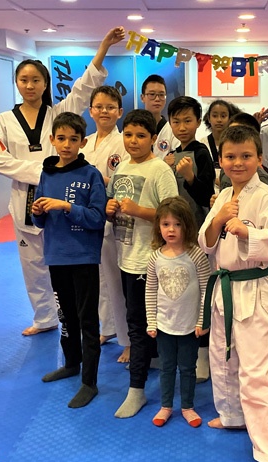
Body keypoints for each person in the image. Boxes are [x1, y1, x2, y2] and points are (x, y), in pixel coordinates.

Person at [0, 27, 125, 337]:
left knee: (67, 261)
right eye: (24, 80)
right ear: (16, 83)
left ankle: (77, 317)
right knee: (32, 264)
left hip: (63, 198)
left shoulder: (58, 113)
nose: (30, 85)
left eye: (36, 80)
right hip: (26, 197)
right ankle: (44, 317)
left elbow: (84, 87)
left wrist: (103, 47)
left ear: (45, 83)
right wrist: (43, 171)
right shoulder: (4, 120)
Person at [198, 125, 268, 462]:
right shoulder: (223, 195)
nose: (238, 163)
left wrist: (247, 232)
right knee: (225, 359)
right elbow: (206, 242)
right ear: (220, 160)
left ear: (259, 159)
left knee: (256, 371)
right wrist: (220, 219)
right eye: (231, 157)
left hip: (256, 286)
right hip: (225, 286)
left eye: (246, 156)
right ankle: (233, 415)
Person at [31, 112, 106, 408]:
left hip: (83, 256)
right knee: (66, 316)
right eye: (61, 138)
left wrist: (66, 206)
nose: (66, 144)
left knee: (87, 319)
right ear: (52, 140)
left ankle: (90, 382)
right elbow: (38, 222)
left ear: (82, 142)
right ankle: (71, 363)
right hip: (56, 255)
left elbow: (97, 218)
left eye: (73, 139)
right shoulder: (47, 173)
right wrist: (38, 212)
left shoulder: (91, 175)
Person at [108, 110, 178, 418]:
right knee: (138, 322)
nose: (133, 141)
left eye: (140, 135)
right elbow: (114, 204)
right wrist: (110, 209)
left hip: (150, 260)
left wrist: (139, 210)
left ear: (153, 138)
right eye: (128, 135)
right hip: (126, 256)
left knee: (139, 325)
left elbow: (173, 214)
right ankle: (150, 362)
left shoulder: (160, 169)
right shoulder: (122, 166)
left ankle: (136, 389)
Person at [146, 196, 210, 428]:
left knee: (188, 368)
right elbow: (150, 290)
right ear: (158, 227)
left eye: (177, 224)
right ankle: (166, 405)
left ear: (187, 226)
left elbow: (206, 289)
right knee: (166, 367)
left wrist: (203, 320)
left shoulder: (196, 255)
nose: (171, 229)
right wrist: (151, 321)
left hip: (189, 326)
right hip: (164, 326)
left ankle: (187, 406)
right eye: (166, 224)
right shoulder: (155, 257)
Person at [82, 85, 130, 362]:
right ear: (90, 111)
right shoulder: (85, 143)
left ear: (119, 112)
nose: (104, 112)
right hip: (87, 219)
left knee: (116, 280)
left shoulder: (124, 142)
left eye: (110, 107)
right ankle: (108, 327)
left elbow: (127, 181)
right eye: (99, 107)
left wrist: (98, 181)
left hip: (114, 218)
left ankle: (128, 339)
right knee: (97, 280)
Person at [169, 96, 216, 226]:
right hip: (173, 221)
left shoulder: (201, 153)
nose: (182, 128)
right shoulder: (171, 156)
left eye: (187, 121)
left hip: (196, 222)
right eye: (176, 122)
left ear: (198, 122)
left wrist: (190, 177)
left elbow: (207, 197)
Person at [200, 99, 241, 183]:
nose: (219, 120)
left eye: (223, 116)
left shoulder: (235, 143)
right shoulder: (203, 143)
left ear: (229, 118)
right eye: (215, 116)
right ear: (209, 118)